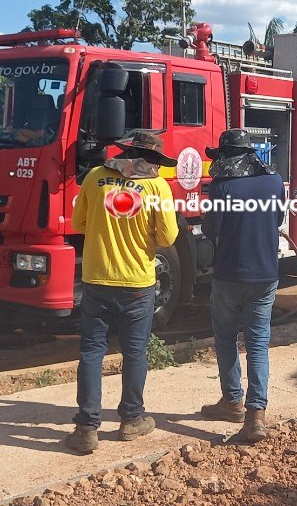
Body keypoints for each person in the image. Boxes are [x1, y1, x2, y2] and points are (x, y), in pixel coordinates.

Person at [66, 131, 179, 453]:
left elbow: (79, 223)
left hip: (97, 279)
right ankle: (131, 420)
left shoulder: (94, 177)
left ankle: (87, 428)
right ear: (152, 159)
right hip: (137, 284)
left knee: (91, 352)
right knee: (135, 352)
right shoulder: (157, 186)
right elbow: (168, 238)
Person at [199, 129, 285, 443]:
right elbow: (277, 219)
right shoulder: (274, 181)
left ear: (225, 156)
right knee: (258, 343)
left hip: (229, 275)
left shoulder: (222, 185)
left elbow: (211, 229)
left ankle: (232, 401)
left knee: (225, 339)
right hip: (265, 275)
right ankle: (255, 415)